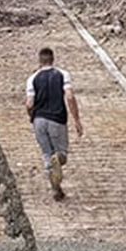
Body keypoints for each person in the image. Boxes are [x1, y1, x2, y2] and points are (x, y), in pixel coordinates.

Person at [25, 47, 84, 200]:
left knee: (47, 155)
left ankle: (56, 189)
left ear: (40, 61)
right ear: (53, 59)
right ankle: (58, 158)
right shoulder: (62, 75)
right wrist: (76, 120)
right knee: (62, 154)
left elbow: (29, 104)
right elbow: (70, 96)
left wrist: (32, 117)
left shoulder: (32, 78)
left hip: (39, 120)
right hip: (57, 120)